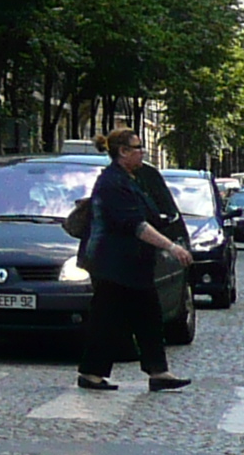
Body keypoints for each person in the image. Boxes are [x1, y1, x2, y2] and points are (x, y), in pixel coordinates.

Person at [78, 129, 197, 393]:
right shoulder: (112, 182)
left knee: (145, 316)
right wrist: (172, 247)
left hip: (130, 264)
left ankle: (157, 372)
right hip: (113, 264)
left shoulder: (131, 178)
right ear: (123, 151)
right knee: (108, 319)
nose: (142, 151)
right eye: (137, 147)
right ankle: (94, 374)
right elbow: (136, 225)